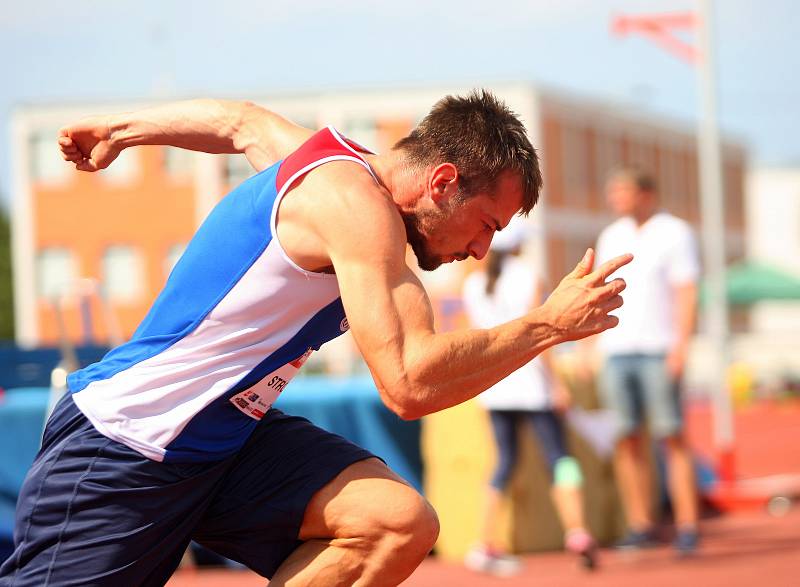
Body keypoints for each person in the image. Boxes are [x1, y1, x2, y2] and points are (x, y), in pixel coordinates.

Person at [0, 91, 631, 587]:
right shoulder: (355, 211)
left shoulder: (334, 160)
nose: (479, 250)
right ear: (442, 182)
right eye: (485, 224)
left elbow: (237, 121)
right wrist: (548, 324)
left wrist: (119, 129)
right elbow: (409, 384)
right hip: (126, 446)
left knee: (394, 523)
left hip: (223, 443)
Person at [461, 222, 597, 576]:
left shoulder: (474, 284)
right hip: (533, 387)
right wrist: (557, 385)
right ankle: (578, 533)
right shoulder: (529, 277)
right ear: (521, 246)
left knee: (503, 463)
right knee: (562, 459)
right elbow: (544, 336)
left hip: (495, 388)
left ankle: (483, 541)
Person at [592, 167, 700, 554]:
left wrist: (681, 347)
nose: (615, 197)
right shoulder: (611, 235)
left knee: (672, 436)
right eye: (613, 189)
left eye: (622, 189)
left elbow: (686, 291)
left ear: (646, 194)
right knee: (627, 438)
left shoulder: (675, 232)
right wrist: (590, 346)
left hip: (659, 348)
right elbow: (599, 292)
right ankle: (641, 524)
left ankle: (688, 525)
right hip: (616, 351)